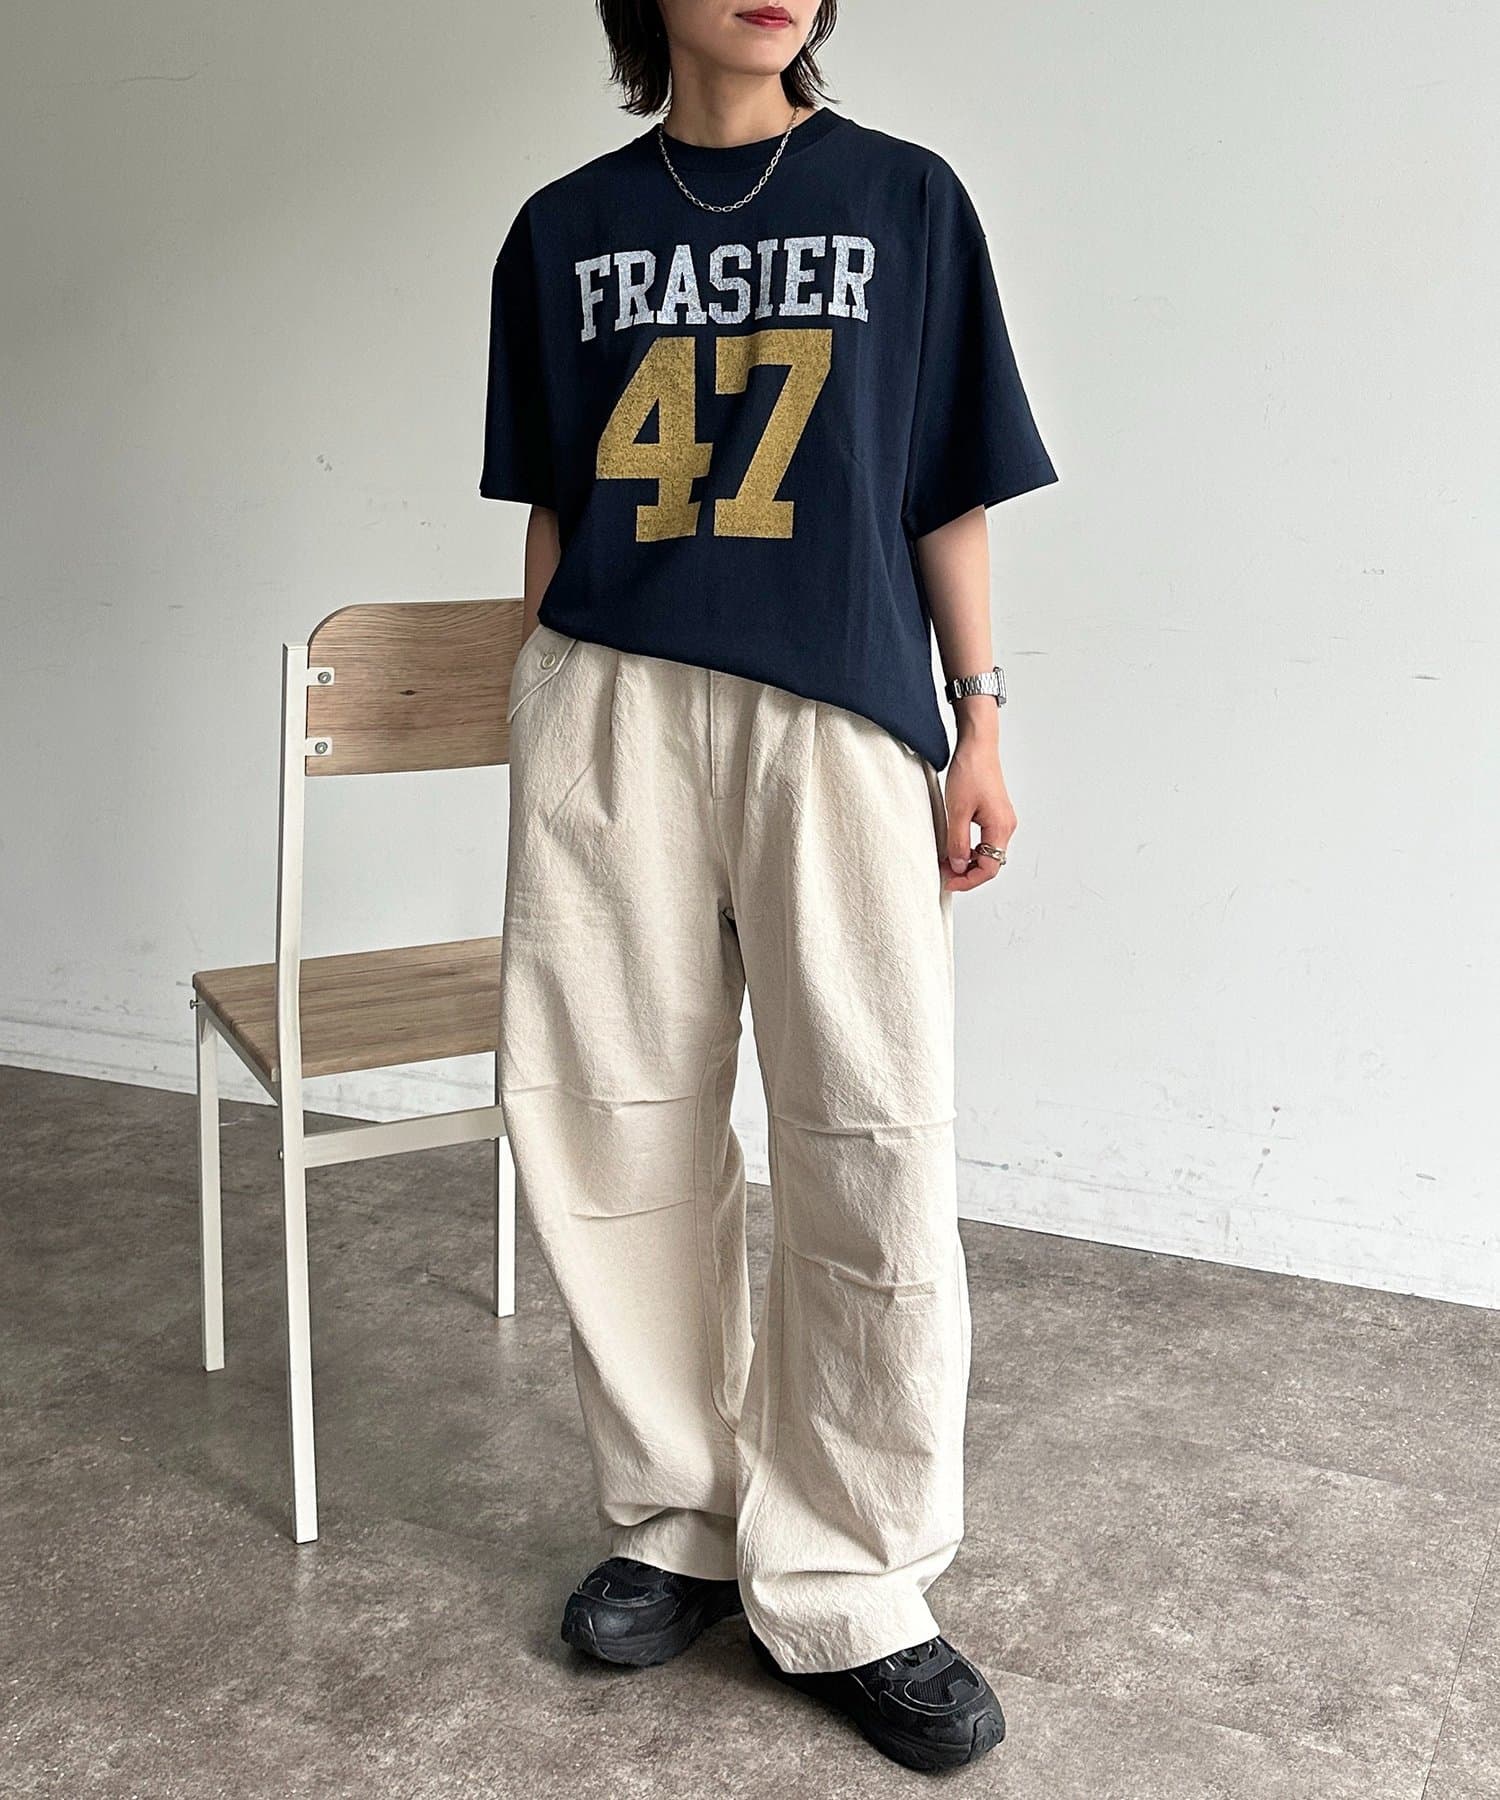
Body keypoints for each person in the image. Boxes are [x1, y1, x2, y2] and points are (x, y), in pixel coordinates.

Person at [481, 0, 1057, 1773]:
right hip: (613, 703)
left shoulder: (906, 199)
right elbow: (554, 511)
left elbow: (944, 486)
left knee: (871, 1126)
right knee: (612, 1116)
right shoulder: (563, 229)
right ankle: (680, 1516)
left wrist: (980, 715)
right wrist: (544, 729)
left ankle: (858, 1576)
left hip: (841, 710)